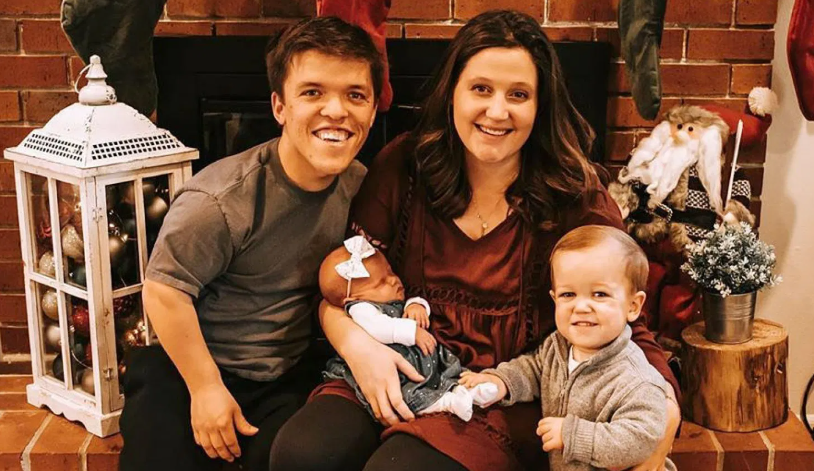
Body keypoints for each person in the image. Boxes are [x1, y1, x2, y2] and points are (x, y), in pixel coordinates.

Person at [270, 9, 681, 471]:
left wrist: (664, 413)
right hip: (393, 363)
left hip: (496, 396)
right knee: (301, 455)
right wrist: (358, 348)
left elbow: (628, 319)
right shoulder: (405, 164)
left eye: (519, 94)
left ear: (540, 105)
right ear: (453, 93)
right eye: (481, 89)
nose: (497, 111)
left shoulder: (575, 196)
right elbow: (346, 283)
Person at [119, 16, 383, 471]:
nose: (337, 111)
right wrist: (205, 388)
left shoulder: (363, 187)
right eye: (313, 92)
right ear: (279, 106)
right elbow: (164, 292)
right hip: (190, 363)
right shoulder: (220, 200)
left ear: (374, 109)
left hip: (286, 374)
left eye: (355, 95)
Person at [459, 225, 677, 471]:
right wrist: (501, 382)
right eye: (568, 295)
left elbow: (639, 440)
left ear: (633, 306)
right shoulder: (559, 347)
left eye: (599, 294)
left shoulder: (636, 380)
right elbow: (532, 368)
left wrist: (573, 435)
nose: (581, 306)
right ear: (554, 298)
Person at [319, 235, 500, 422]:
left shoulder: (391, 300)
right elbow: (380, 327)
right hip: (393, 374)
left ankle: (471, 390)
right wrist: (412, 332)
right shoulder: (361, 308)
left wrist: (416, 306)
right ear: (353, 299)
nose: (392, 281)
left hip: (419, 359)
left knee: (449, 369)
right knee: (408, 395)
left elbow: (408, 303)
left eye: (390, 272)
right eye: (381, 283)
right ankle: (447, 403)